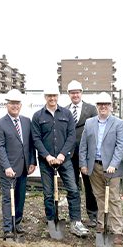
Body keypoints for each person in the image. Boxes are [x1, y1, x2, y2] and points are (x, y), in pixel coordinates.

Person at [31, 86, 89, 238]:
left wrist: (63, 154)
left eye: (54, 95)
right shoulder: (38, 116)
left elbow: (71, 136)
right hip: (46, 162)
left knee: (73, 190)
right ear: (45, 97)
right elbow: (36, 138)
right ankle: (51, 220)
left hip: (65, 160)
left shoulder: (66, 113)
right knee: (48, 194)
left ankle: (76, 221)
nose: (52, 98)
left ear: (58, 96)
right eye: (49, 96)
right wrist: (47, 156)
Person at [79, 92, 123, 244]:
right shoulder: (89, 122)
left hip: (112, 168)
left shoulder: (118, 123)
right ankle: (102, 224)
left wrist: (113, 164)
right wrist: (83, 164)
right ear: (97, 106)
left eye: (106, 104)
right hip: (95, 166)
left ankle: (117, 229)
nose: (103, 107)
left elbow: (120, 146)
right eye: (100, 104)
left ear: (111, 106)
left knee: (113, 198)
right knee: (99, 197)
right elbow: (83, 145)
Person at [0, 89, 37, 237]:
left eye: (17, 103)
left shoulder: (26, 121)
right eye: (12, 103)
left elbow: (30, 144)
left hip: (23, 168)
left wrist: (32, 161)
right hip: (8, 169)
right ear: (7, 104)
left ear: (20, 105)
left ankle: (16, 223)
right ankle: (7, 228)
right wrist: (7, 167)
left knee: (20, 197)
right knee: (7, 198)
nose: (15, 106)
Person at [66, 80, 99, 227]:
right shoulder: (65, 110)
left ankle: (93, 215)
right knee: (72, 186)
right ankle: (75, 216)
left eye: (77, 92)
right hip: (69, 155)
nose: (75, 95)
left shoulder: (91, 109)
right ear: (69, 94)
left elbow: (95, 132)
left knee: (89, 186)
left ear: (81, 93)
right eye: (72, 92)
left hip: (86, 155)